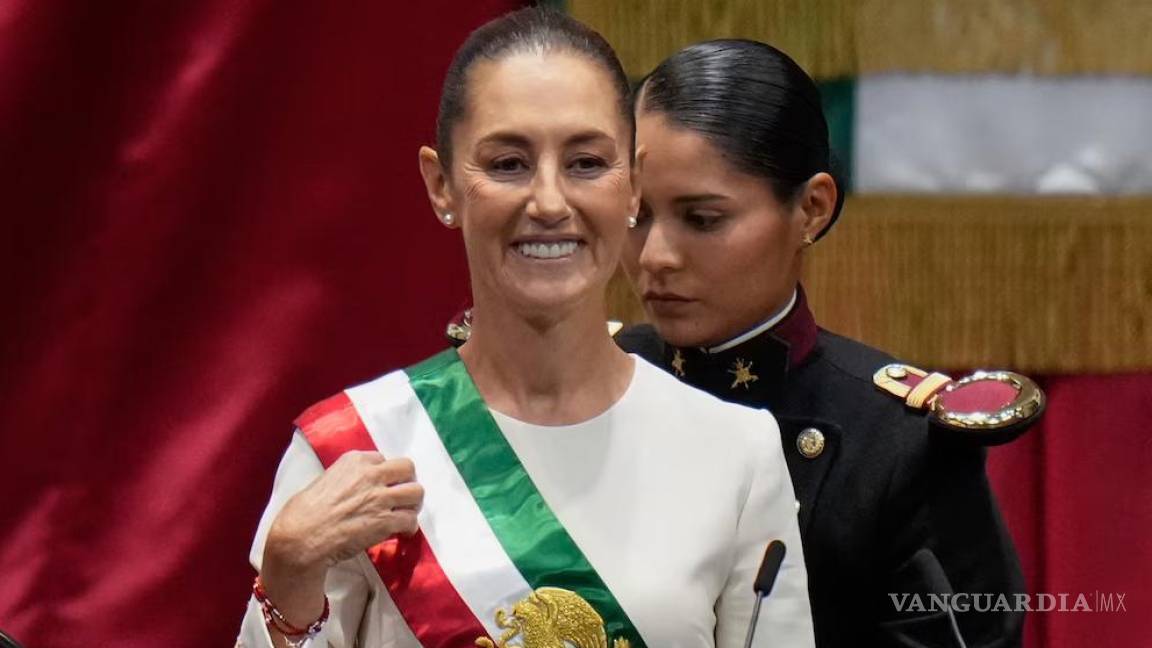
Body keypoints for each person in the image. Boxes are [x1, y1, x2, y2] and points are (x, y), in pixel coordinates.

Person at [237, 12, 814, 648]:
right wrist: (289, 577)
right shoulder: (352, 448)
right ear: (442, 185)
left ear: (634, 185)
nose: (548, 202)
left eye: (587, 162)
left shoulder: (737, 453)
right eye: (508, 163)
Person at [614, 40, 1038, 647]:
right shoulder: (589, 381)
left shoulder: (898, 444)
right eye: (636, 215)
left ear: (811, 209)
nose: (655, 257)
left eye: (703, 219)